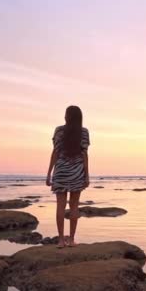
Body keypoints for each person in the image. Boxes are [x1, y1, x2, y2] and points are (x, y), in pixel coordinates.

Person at [46, 105, 90, 248]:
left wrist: (49, 173)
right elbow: (84, 154)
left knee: (60, 206)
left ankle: (60, 241)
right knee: (74, 206)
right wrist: (87, 175)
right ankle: (71, 240)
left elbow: (55, 152)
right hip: (77, 171)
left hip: (61, 172)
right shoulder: (84, 132)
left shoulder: (58, 131)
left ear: (67, 116)